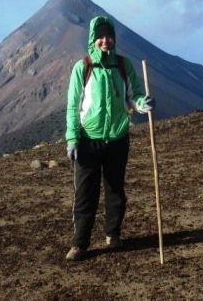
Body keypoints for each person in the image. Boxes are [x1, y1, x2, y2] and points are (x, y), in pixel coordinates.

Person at [64, 15, 155, 262]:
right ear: (93, 40)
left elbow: (133, 96)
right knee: (85, 194)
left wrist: (141, 104)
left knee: (115, 190)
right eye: (101, 37)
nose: (106, 41)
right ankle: (79, 243)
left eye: (109, 36)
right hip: (88, 141)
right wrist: (72, 138)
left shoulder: (123, 66)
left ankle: (112, 235)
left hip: (117, 139)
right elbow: (73, 106)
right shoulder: (82, 68)